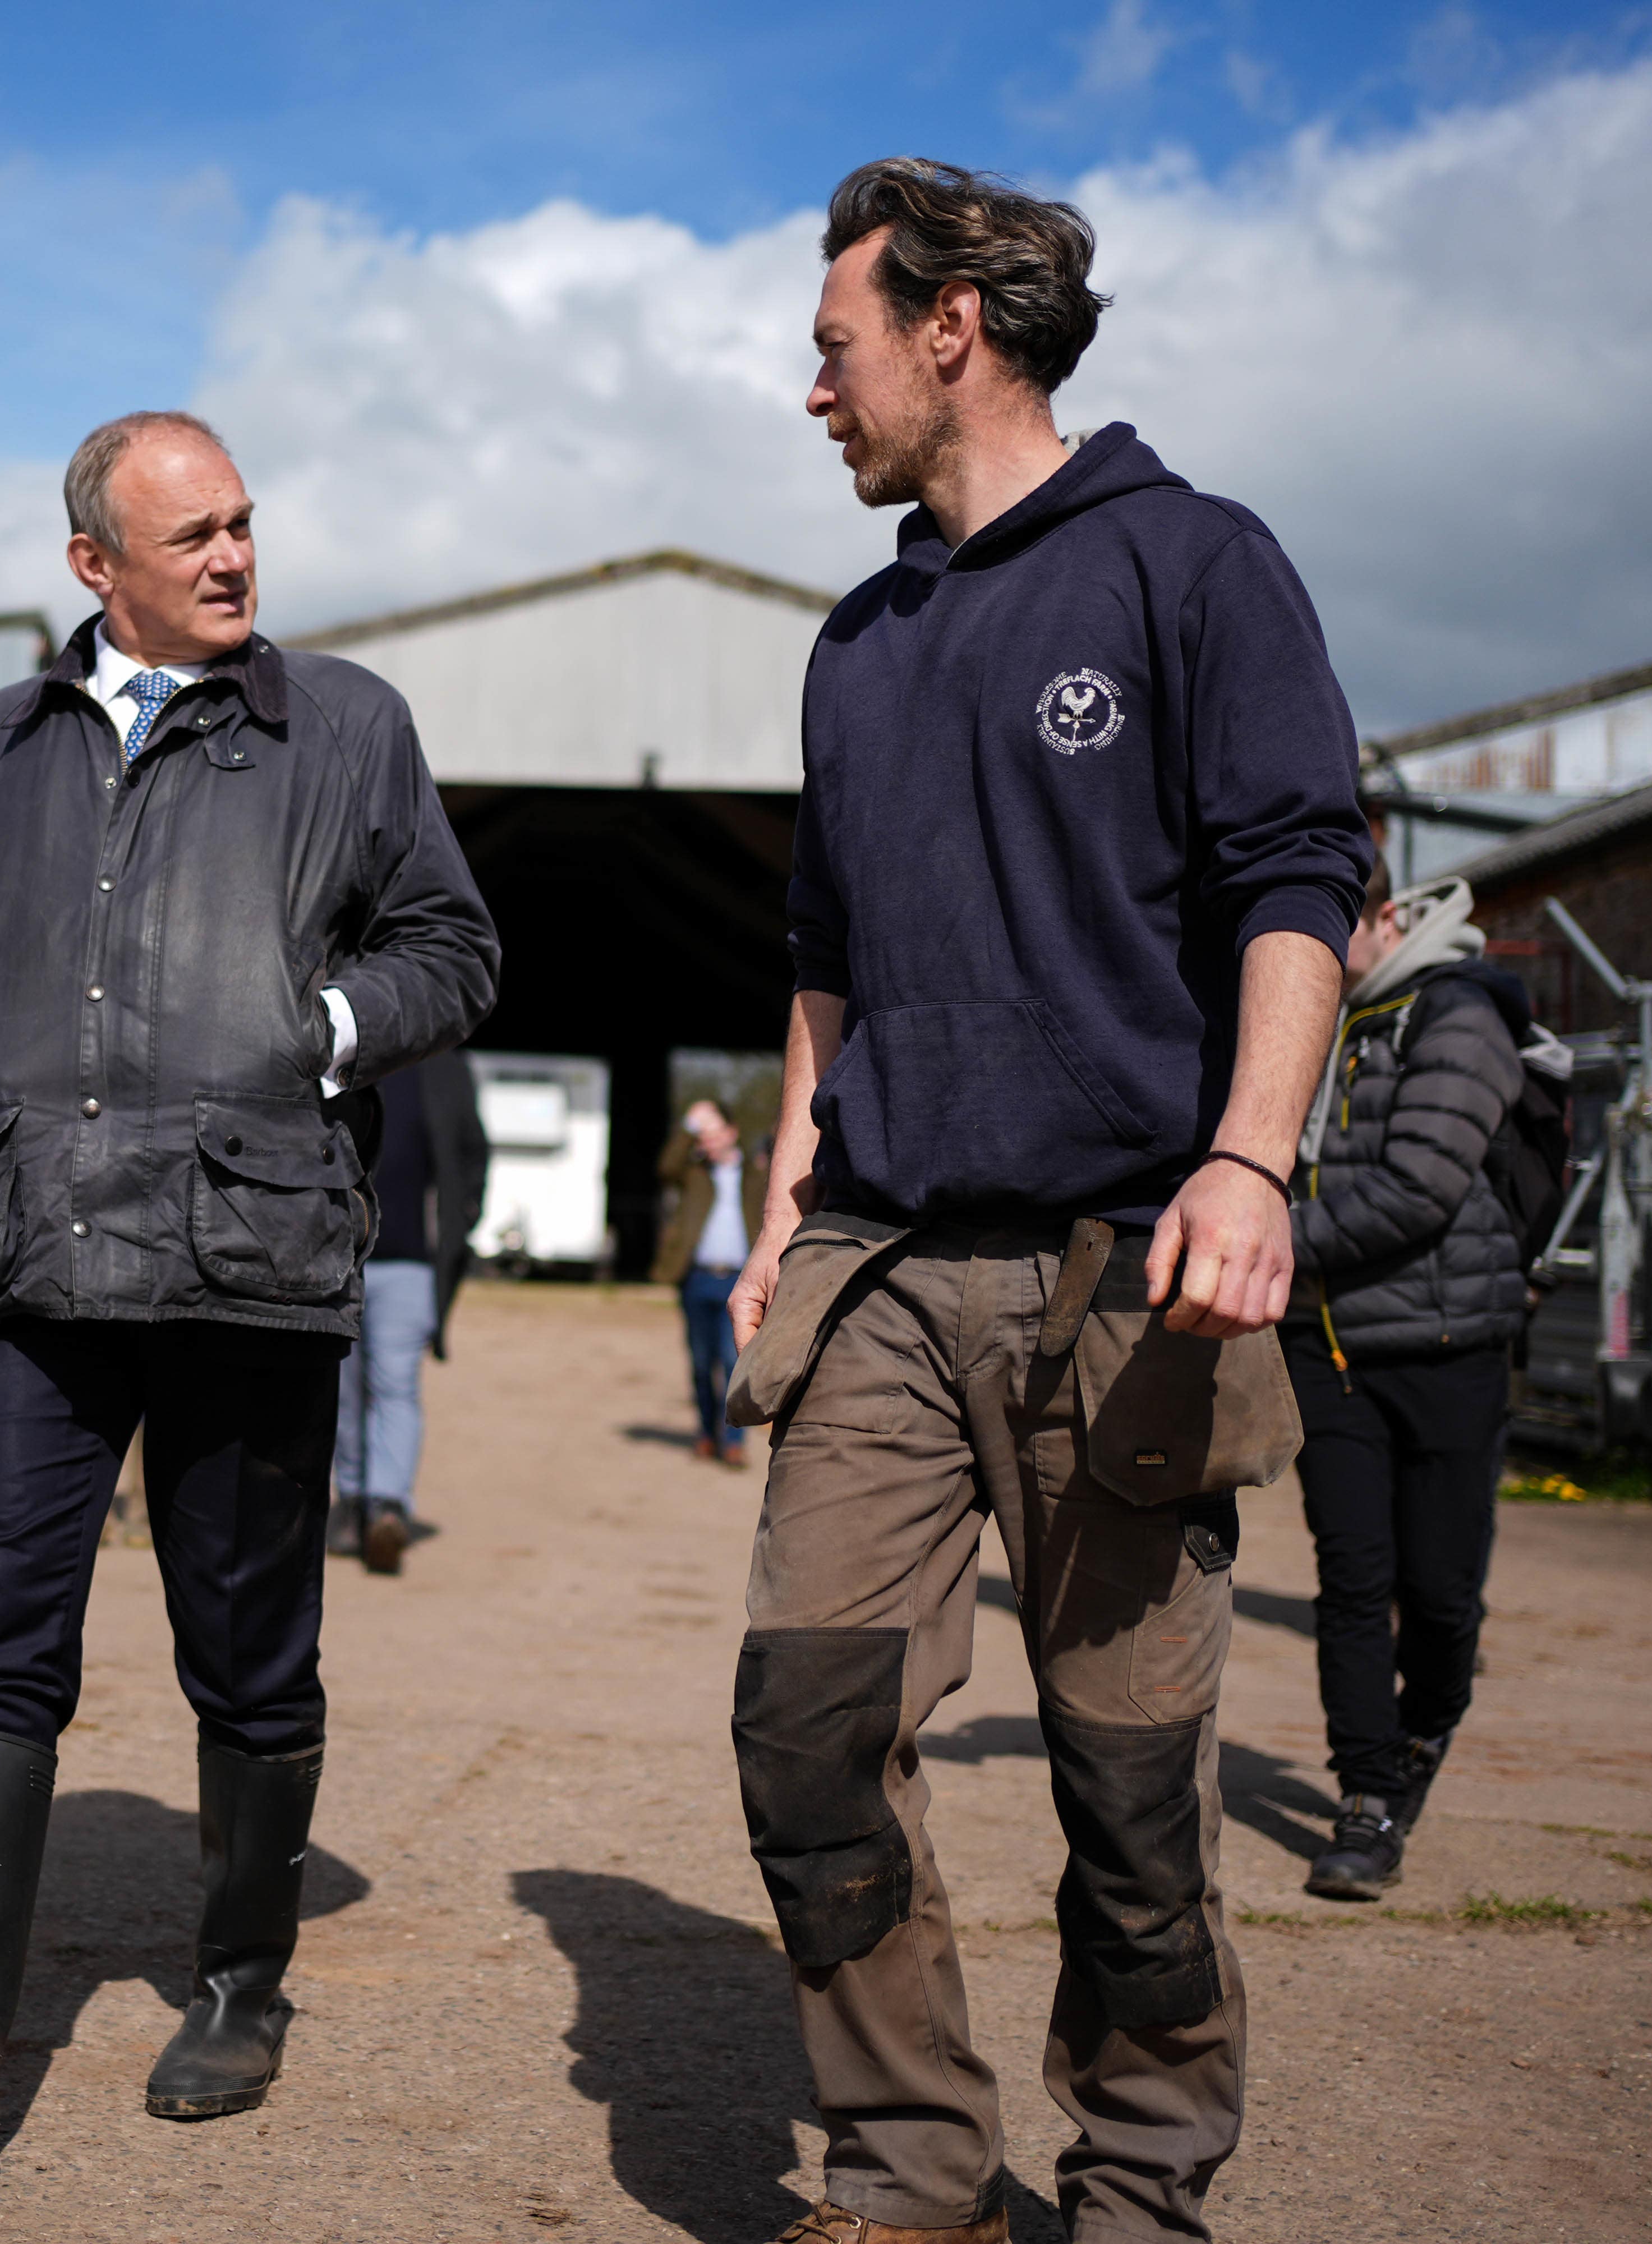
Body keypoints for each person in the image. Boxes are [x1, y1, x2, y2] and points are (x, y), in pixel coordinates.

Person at [721, 161, 1365, 2244]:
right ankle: (909, 2172)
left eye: (831, 346)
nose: (806, 388)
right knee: (807, 1729)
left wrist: (1246, 1158)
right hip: (888, 1266)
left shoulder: (1188, 565)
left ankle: (1140, 2186)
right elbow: (821, 953)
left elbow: (1298, 884)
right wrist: (779, 1211)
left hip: (1127, 1277)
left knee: (1125, 1799)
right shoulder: (855, 640)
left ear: (949, 327)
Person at [0, 411, 499, 2194]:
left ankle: (237, 1982)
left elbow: (452, 944)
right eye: (188, 535)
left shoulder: (340, 727)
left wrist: (318, 1035)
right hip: (26, 1253)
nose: (230, 558)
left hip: (243, 1257)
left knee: (244, 1636)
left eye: (244, 526)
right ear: (90, 567)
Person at [1282, 863, 1527, 1900]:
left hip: (1444, 1343)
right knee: (1352, 1581)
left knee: (1439, 1591)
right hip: (1327, 1344)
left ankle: (1427, 1726)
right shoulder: (1306, 1023)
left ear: (1386, 916)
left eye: (1323, 928)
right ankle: (1369, 1800)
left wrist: (1264, 1241)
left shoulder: (1459, 1015)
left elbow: (1422, 1186)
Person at [329, 1047, 490, 1574]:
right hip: (335, 1260)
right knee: (342, 1389)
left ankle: (387, 1504)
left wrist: (461, 1220)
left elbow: (472, 1151)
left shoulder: (443, 1066)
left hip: (410, 1264)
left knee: (395, 1383)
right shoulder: (337, 1050)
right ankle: (353, 1501)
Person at [655, 1097, 772, 1465]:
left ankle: (734, 1440)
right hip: (697, 1279)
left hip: (739, 1281)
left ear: (732, 1133)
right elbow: (665, 1167)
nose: (709, 1141)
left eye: (714, 1132)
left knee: (733, 1358)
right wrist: (689, 1129)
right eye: (703, 1136)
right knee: (702, 1362)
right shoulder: (693, 1173)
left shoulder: (757, 1176)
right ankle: (706, 1433)